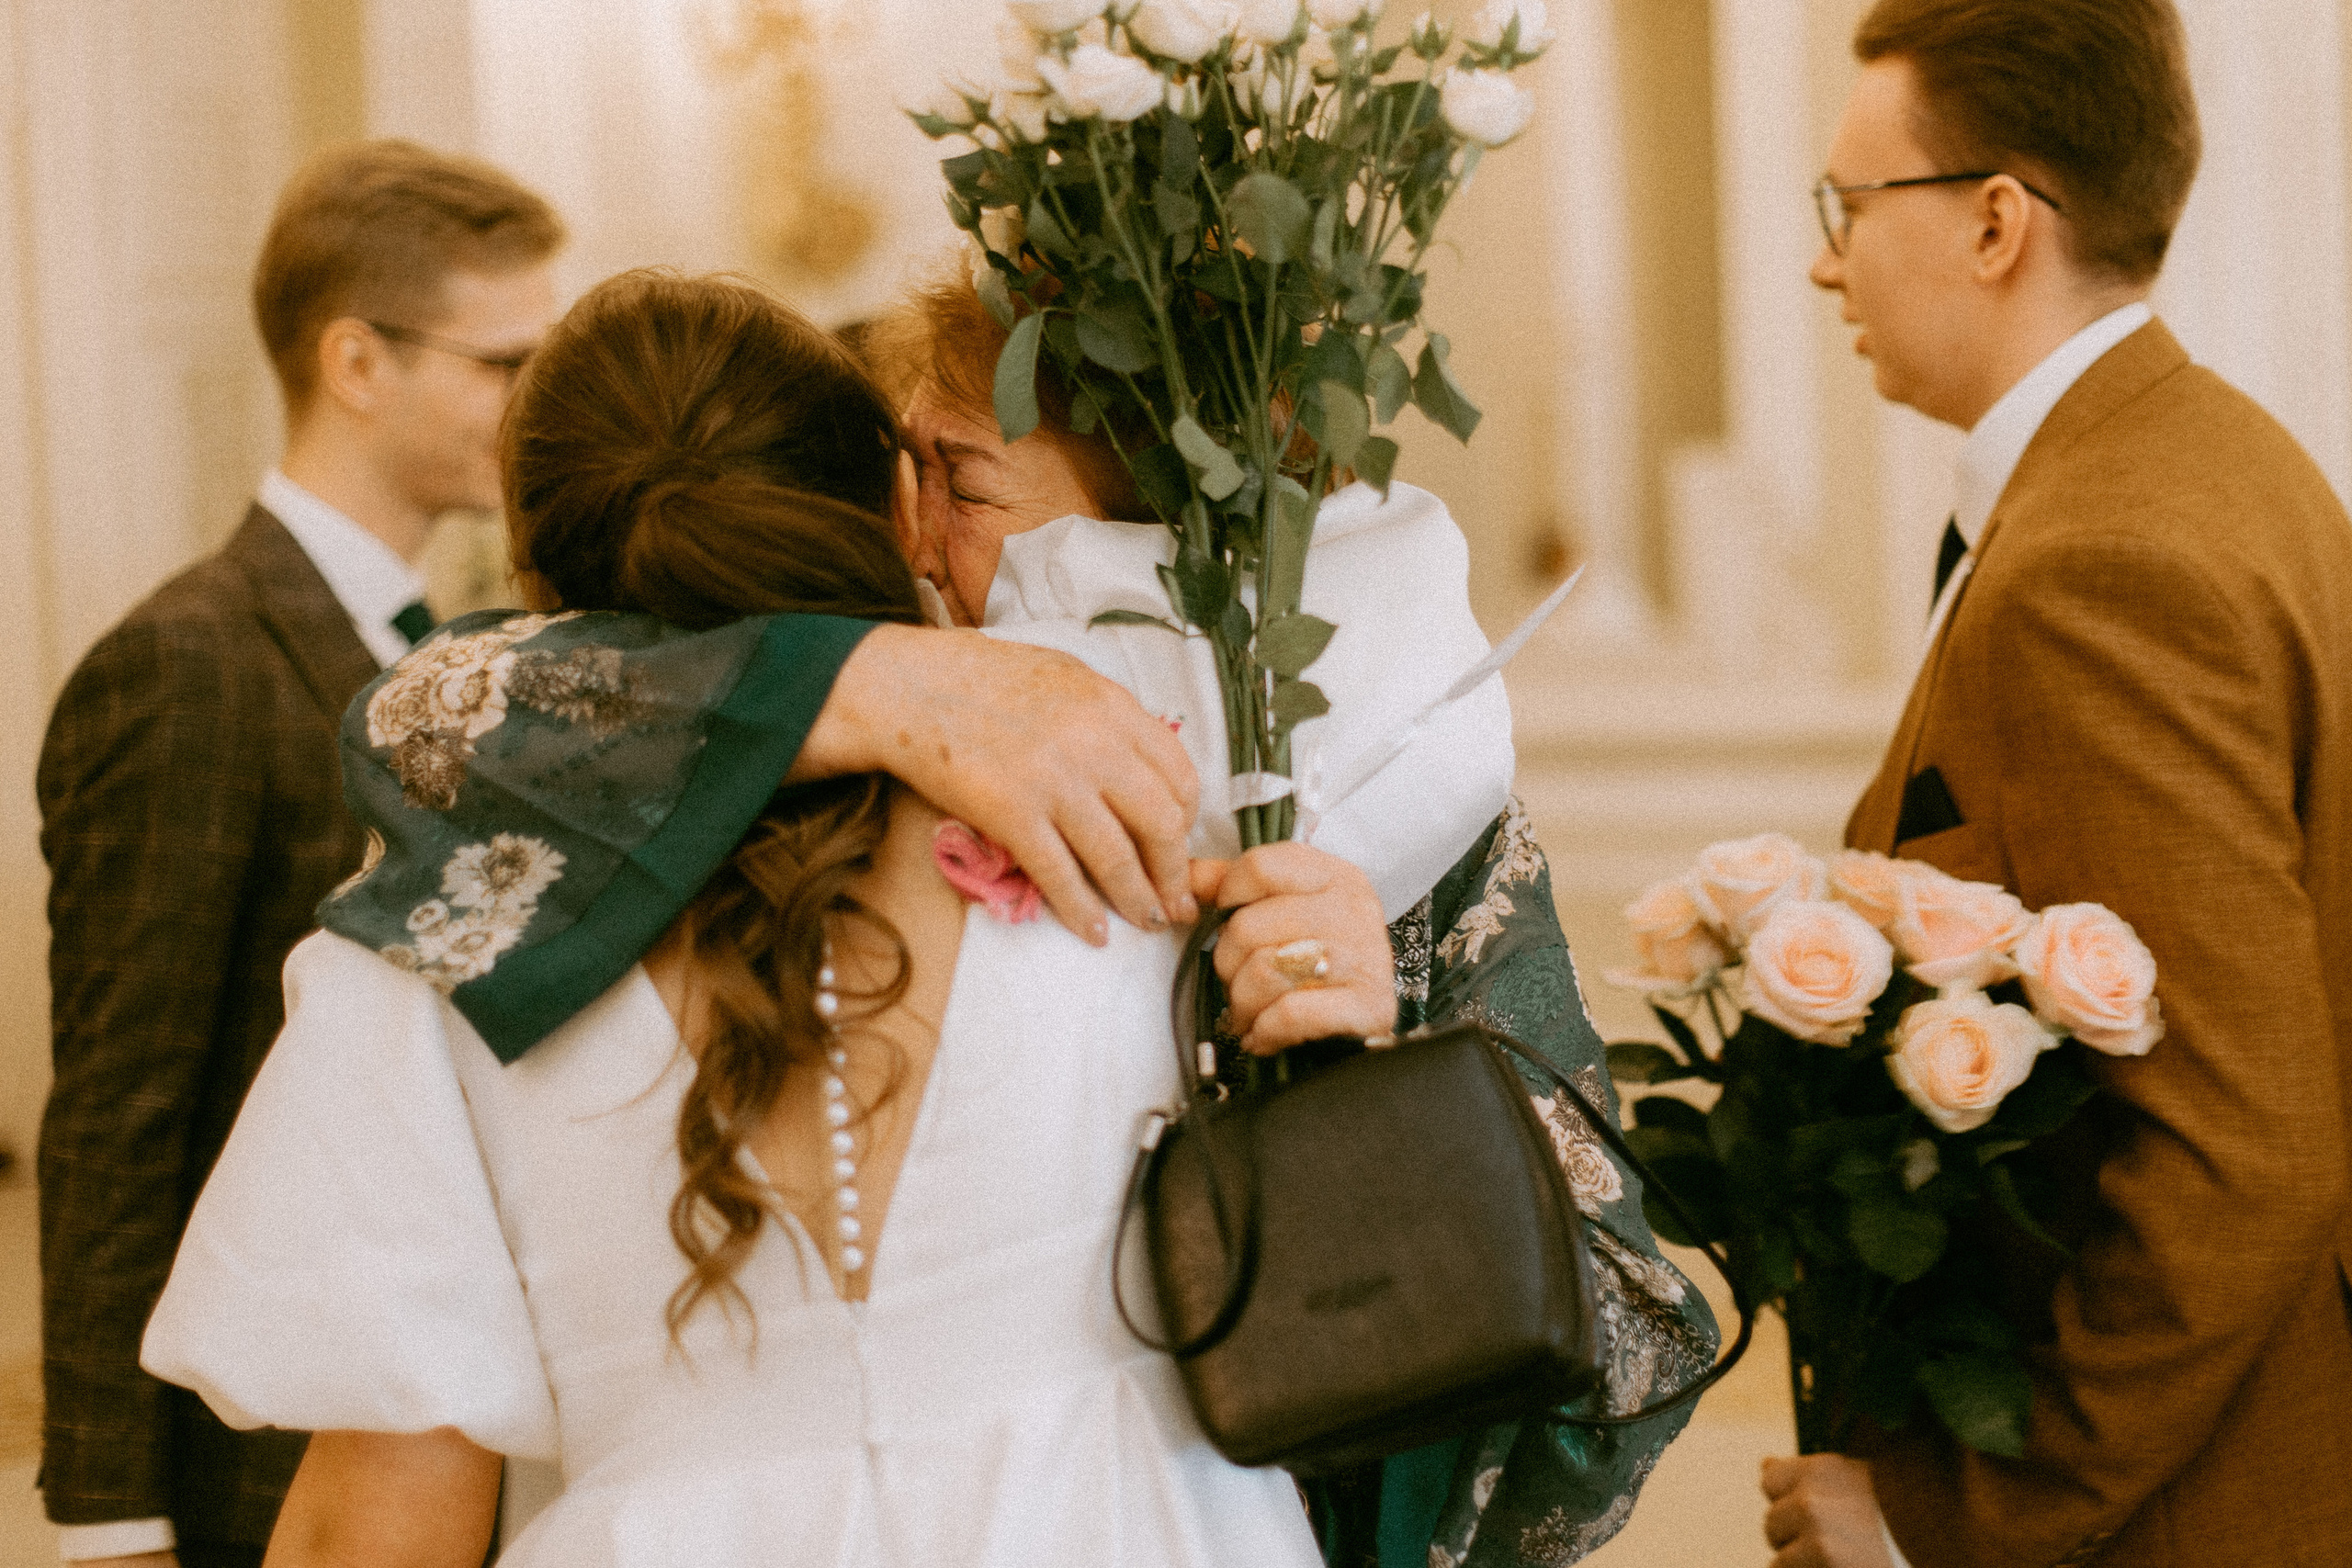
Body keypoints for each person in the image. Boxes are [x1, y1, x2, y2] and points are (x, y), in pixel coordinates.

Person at [310, 259, 1721, 1565]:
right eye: (904, 469)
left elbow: (1603, 1360)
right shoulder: (878, 737)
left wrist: (1367, 1083)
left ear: (1157, 534)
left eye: (962, 482)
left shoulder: (1353, 813)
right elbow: (420, 712)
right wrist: (877, 685)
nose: (913, 541)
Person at [141, 269, 1410, 1568]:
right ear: (897, 503)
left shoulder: (437, 942)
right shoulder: (1134, 776)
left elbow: (374, 1530)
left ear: (540, 581)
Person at [1764, 3, 2352, 1565]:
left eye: (1848, 205)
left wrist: (1943, 1523)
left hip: (2190, 1513)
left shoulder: (2104, 562)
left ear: (1995, 223)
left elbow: (2242, 1161)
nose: (1824, 262)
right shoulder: (2211, 454)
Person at [35, 138, 565, 1568]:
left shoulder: (466, 649)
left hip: (442, 1424)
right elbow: (116, 1118)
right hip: (266, 1457)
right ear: (357, 361)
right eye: (504, 364)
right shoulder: (188, 660)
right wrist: (109, 1519)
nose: (537, 403)